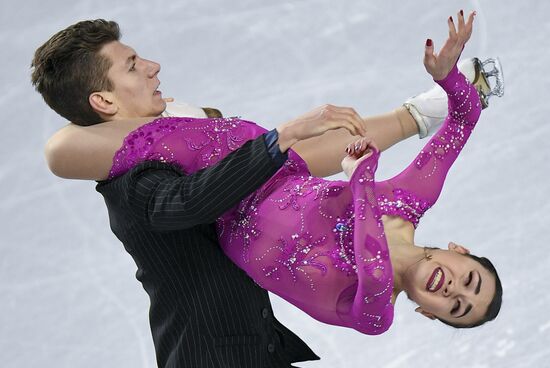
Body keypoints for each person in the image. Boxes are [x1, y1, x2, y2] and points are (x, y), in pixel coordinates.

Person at [32, 10, 502, 366]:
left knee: (284, 158)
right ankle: (417, 113)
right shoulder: (406, 201)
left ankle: (414, 115)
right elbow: (463, 121)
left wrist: (357, 177)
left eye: (457, 308)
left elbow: (374, 262)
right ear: (460, 250)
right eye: (470, 280)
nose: (455, 290)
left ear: (430, 314)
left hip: (247, 344)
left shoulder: (376, 310)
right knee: (285, 159)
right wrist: (449, 79)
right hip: (219, 344)